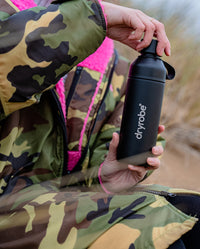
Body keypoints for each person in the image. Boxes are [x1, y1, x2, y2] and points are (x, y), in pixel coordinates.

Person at [0, 0, 199, 249]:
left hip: (41, 219)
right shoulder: (7, 18)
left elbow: (75, 190)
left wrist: (105, 179)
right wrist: (90, 19)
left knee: (189, 214)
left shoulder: (117, 72)